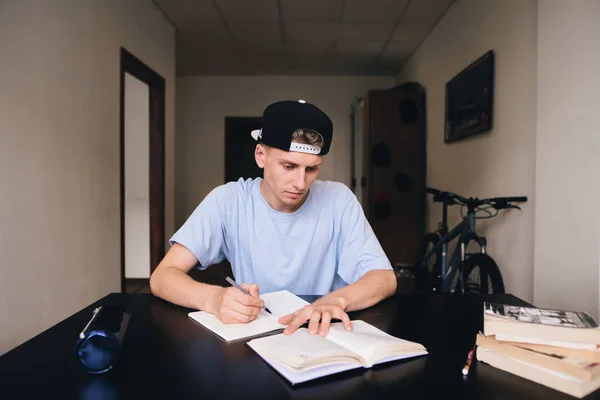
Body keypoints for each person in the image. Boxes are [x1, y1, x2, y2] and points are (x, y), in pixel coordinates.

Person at [150, 99, 397, 336]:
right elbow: (162, 277)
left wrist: (334, 301)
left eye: (311, 169)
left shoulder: (339, 200)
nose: (300, 183)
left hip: (322, 332)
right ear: (260, 155)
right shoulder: (228, 201)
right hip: (255, 332)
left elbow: (384, 278)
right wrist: (214, 299)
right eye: (288, 166)